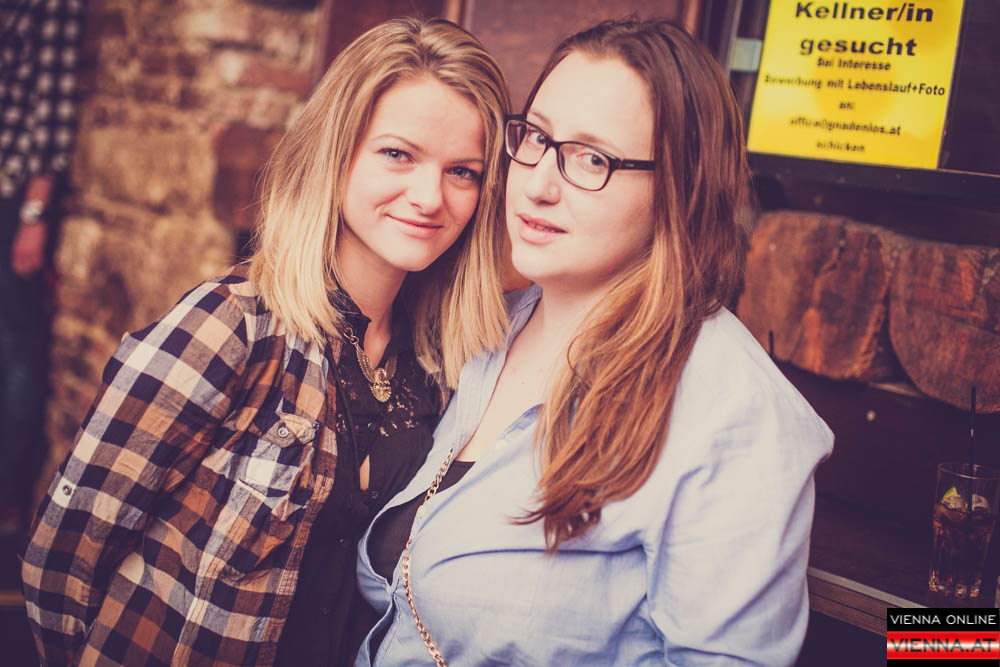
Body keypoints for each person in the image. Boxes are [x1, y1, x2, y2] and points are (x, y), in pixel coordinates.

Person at [22, 16, 510, 667]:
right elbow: (61, 561)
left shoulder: (440, 368)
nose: (430, 196)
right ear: (336, 152)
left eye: (463, 171)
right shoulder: (230, 326)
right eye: (398, 154)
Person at [356, 18, 834, 666]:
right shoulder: (487, 330)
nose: (538, 183)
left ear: (679, 189)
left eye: (592, 159)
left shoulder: (734, 413)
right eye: (537, 138)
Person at [1, 0, 83, 534]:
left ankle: (7, 493)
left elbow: (52, 110)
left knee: (17, 346)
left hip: (13, 198)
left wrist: (33, 215)